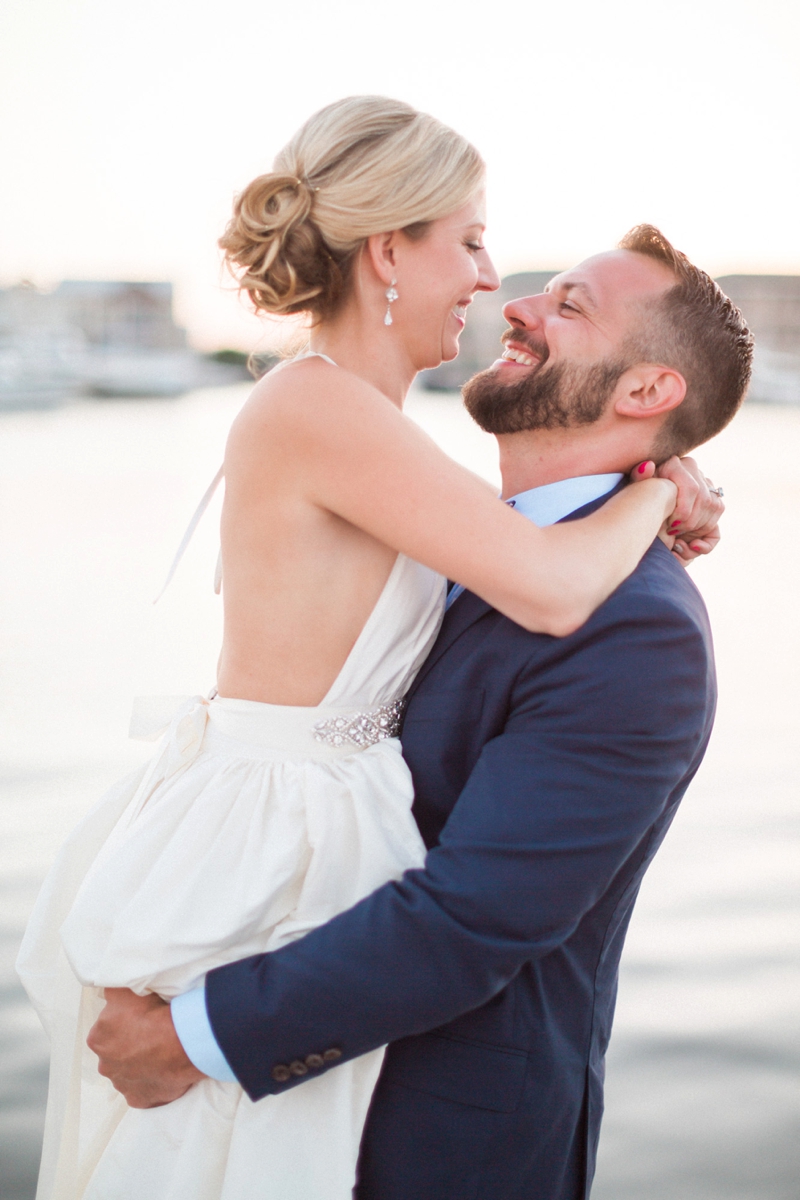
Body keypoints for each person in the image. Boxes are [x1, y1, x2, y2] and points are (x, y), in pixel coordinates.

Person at [17, 93, 722, 1200]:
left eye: (563, 301)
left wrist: (650, 490)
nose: (500, 284)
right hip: (267, 865)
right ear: (388, 250)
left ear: (645, 388)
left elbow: (477, 916)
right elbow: (539, 586)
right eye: (474, 241)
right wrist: (655, 490)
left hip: (438, 1108)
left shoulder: (629, 625)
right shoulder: (327, 414)